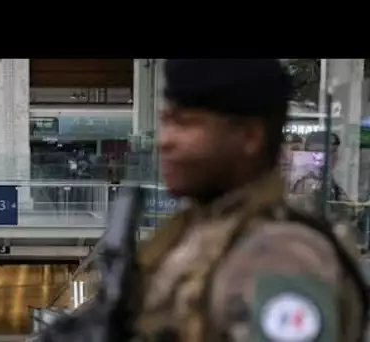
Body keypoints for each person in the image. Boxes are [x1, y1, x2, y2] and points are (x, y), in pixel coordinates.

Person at [132, 60, 367, 342]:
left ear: (250, 137)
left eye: (186, 124)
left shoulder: (284, 256)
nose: (165, 141)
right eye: (166, 122)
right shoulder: (193, 233)